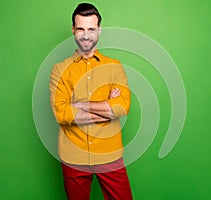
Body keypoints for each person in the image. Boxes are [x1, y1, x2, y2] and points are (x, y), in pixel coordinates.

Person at [49, 3, 133, 200]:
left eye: (91, 29)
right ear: (73, 30)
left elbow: (121, 107)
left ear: (99, 30)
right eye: (81, 29)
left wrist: (78, 104)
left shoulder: (114, 66)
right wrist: (105, 106)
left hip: (109, 155)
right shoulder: (59, 70)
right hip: (73, 158)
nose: (86, 35)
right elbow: (61, 114)